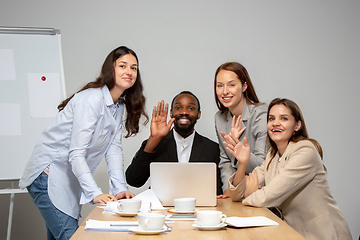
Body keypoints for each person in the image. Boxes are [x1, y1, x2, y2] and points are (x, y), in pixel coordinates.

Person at [19, 46, 148, 240]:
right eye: (123, 66)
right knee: (73, 236)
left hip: (68, 178)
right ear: (110, 69)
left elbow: (113, 150)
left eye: (134, 68)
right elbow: (76, 154)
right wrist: (95, 193)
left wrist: (120, 188)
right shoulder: (91, 100)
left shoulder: (118, 106)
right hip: (48, 175)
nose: (129, 72)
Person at [222, 98, 352, 240]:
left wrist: (249, 195)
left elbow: (267, 196)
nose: (275, 123)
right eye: (271, 119)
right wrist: (243, 163)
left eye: (284, 118)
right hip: (293, 232)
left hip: (323, 234)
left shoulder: (305, 150)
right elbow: (236, 195)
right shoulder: (273, 155)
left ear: (297, 126)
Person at [126, 91, 223, 195]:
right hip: (162, 209)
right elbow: (133, 180)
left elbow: (218, 192)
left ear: (198, 114)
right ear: (171, 113)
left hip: (200, 209)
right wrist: (153, 139)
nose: (184, 112)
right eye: (178, 107)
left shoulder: (212, 149)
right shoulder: (155, 144)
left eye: (190, 108)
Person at [214, 62, 268, 198]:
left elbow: (262, 166)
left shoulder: (261, 117)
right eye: (220, 85)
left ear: (244, 86)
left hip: (261, 191)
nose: (225, 91)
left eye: (231, 85)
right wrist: (228, 188)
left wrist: (237, 146)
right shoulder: (219, 118)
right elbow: (225, 161)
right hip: (237, 191)